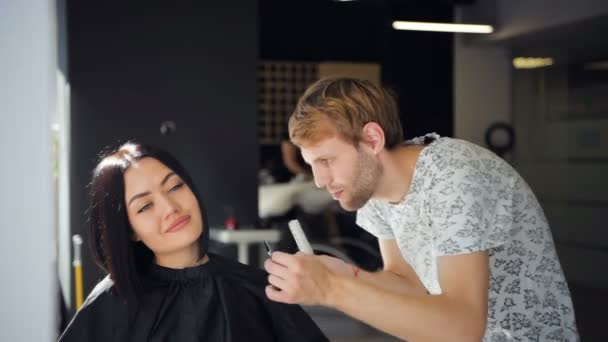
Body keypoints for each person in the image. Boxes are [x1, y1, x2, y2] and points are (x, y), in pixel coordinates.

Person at [264, 77, 579, 341]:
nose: (319, 181)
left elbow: (464, 326)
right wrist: (349, 275)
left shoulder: (453, 174)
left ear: (372, 139)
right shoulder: (373, 189)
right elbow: (406, 282)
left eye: (327, 160)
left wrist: (333, 289)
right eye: (311, 164)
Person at [58, 142, 328, 342]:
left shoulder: (255, 288)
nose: (170, 207)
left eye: (175, 187)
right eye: (145, 206)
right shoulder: (112, 304)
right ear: (130, 231)